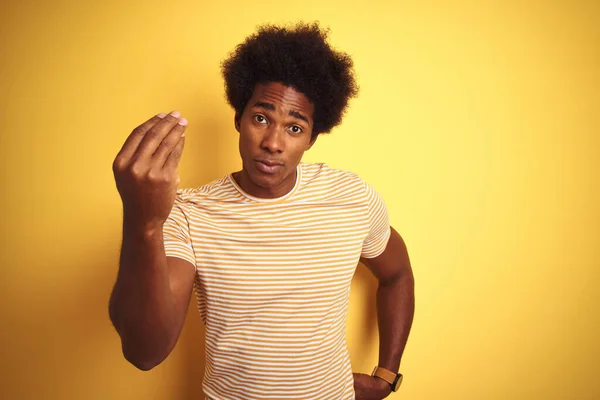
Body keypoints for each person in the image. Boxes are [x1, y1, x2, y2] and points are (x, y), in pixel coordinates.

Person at [109, 22, 415, 400]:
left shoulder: (351, 197)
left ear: (312, 138)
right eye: (261, 118)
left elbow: (397, 274)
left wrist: (387, 375)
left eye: (294, 127)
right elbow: (144, 352)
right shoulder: (189, 213)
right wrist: (145, 222)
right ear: (238, 119)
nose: (273, 142)